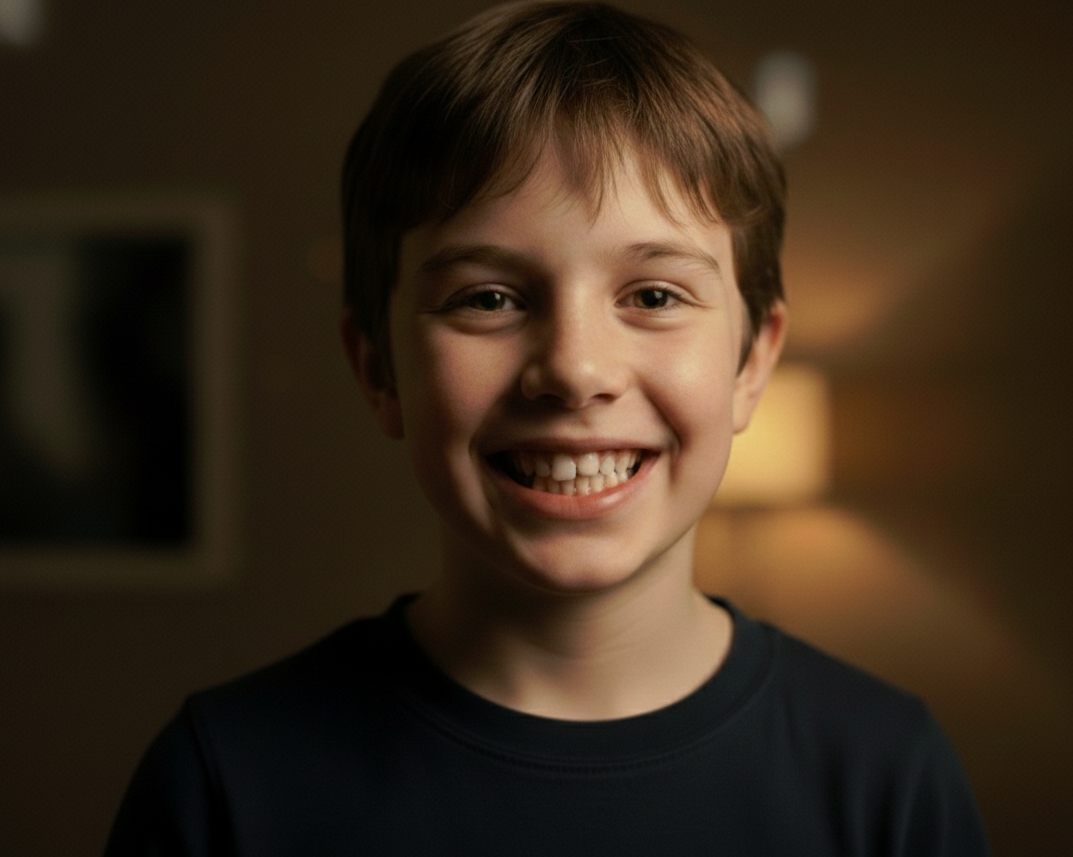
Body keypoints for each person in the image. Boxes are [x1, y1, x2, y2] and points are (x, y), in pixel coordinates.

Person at [104, 3, 991, 854]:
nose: (573, 368)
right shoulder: (224, 781)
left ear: (750, 364)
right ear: (377, 367)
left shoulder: (885, 772)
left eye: (652, 296)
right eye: (488, 298)